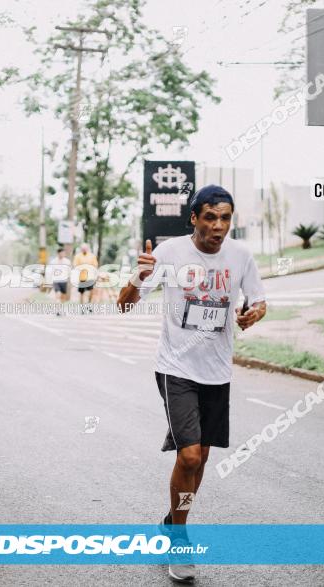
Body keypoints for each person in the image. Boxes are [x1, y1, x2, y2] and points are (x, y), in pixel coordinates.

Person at [116, 185, 267, 584]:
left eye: (226, 218)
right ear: (194, 218)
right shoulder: (168, 254)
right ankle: (179, 539)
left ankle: (171, 520)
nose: (219, 227)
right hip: (176, 368)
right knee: (189, 457)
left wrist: (253, 314)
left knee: (201, 458)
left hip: (218, 371)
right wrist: (139, 276)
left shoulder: (241, 256)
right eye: (211, 217)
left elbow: (258, 300)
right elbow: (125, 303)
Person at [46, 247, 71, 315]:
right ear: (58, 253)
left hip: (64, 281)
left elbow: (69, 272)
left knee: (63, 297)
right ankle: (58, 310)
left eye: (63, 253)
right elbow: (50, 272)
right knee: (58, 295)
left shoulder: (67, 261)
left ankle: (61, 309)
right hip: (56, 281)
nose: (62, 254)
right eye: (61, 253)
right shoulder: (53, 262)